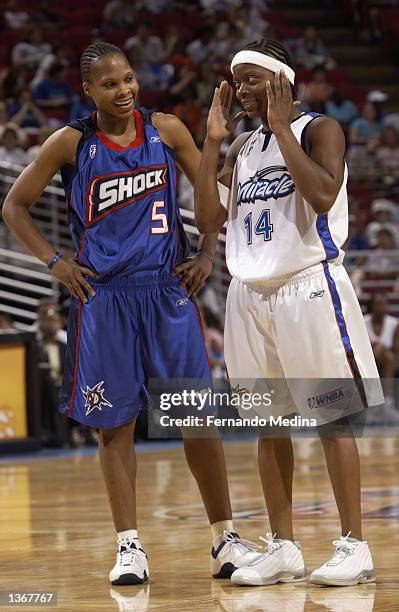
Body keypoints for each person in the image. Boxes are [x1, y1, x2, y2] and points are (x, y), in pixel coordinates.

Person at [2, 42, 260, 586]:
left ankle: (224, 537)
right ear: (88, 91)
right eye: (110, 83)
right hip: (104, 298)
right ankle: (129, 547)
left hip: (166, 292)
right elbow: (13, 206)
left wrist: (209, 251)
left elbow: (211, 196)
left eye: (128, 79)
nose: (124, 90)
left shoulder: (166, 129)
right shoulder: (71, 142)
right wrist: (55, 263)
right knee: (114, 426)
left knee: (195, 419)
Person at [194, 38, 384, 587]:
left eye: (253, 79)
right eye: (238, 80)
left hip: (309, 286)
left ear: (283, 80)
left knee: (332, 417)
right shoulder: (243, 148)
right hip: (248, 293)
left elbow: (324, 195)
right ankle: (283, 547)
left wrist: (281, 128)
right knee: (266, 423)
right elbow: (209, 219)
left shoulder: (318, 130)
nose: (243, 90)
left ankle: (355, 546)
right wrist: (211, 144)